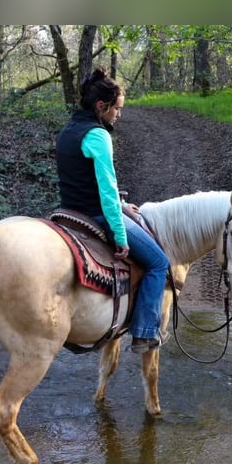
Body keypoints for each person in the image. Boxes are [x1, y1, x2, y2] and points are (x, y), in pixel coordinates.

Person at [55, 65, 169, 353]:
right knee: (159, 262)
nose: (119, 114)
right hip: (95, 215)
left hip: (69, 213)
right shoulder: (98, 136)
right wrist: (119, 233)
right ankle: (144, 333)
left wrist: (121, 203)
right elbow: (105, 190)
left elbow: (83, 180)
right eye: (117, 108)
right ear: (101, 106)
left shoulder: (67, 131)